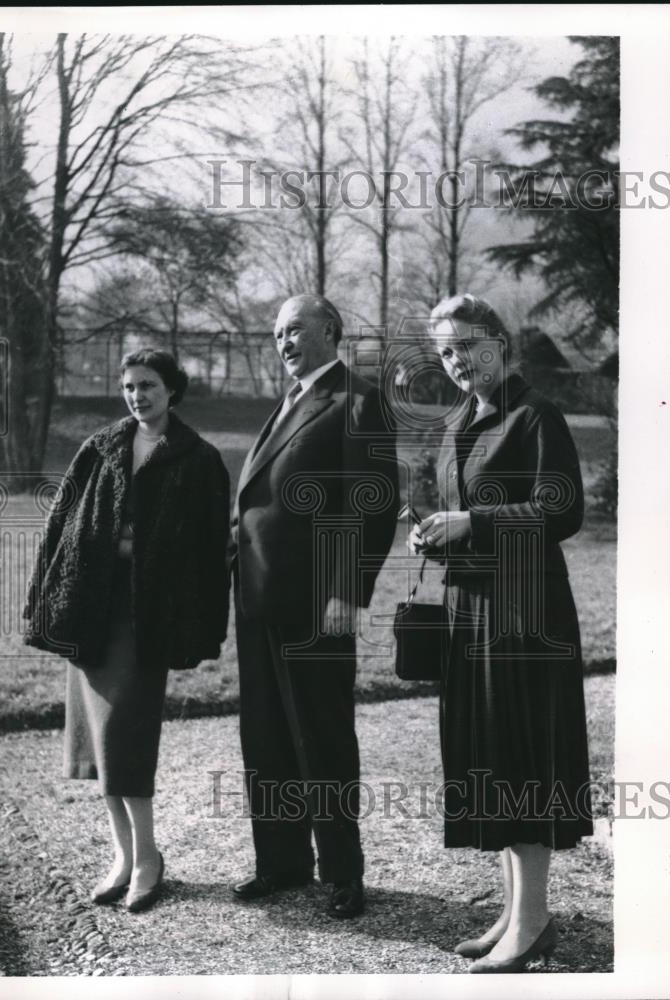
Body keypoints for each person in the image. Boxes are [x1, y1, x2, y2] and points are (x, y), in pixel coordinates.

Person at [409, 294, 593, 973]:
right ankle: (517, 912)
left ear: (498, 340)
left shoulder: (534, 414)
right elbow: (457, 508)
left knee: (521, 754)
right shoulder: (460, 420)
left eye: (467, 345)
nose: (457, 360)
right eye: (447, 351)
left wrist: (473, 524)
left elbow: (561, 507)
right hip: (473, 604)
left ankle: (535, 918)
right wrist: (433, 528)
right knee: (491, 748)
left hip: (525, 612)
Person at [23, 348, 230, 913]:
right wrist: (46, 596)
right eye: (130, 386)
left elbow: (212, 551)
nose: (139, 395)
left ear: (173, 390)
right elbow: (60, 523)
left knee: (127, 740)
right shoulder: (101, 447)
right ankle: (122, 855)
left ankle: (149, 858)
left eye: (150, 385)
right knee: (97, 744)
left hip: (147, 619)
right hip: (92, 612)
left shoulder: (197, 457)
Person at [229, 294, 398, 919]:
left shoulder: (357, 401)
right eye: (276, 333)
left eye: (294, 329)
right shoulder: (289, 401)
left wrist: (347, 592)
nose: (283, 342)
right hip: (257, 599)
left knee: (321, 738)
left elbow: (373, 506)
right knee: (266, 737)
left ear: (329, 329)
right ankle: (282, 862)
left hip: (316, 607)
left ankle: (344, 873)